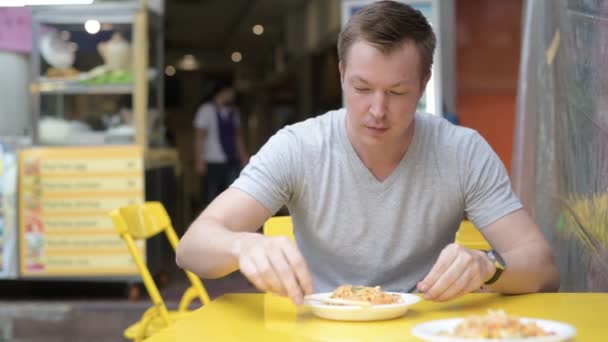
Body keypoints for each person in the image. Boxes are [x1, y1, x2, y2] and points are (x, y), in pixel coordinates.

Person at [177, 0, 559, 305]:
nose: (377, 110)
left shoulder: (462, 151)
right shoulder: (298, 146)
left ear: (425, 83)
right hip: (319, 326)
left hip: (426, 325)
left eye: (396, 92)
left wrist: (487, 266)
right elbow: (191, 249)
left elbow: (543, 268)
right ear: (342, 74)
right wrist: (242, 244)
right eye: (362, 89)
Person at [193, 79, 249, 206]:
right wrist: (199, 160)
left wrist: (244, 156)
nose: (233, 96)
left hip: (231, 159)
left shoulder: (233, 111)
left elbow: (238, 136)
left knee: (232, 194)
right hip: (212, 160)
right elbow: (199, 137)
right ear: (223, 92)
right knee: (212, 196)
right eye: (231, 92)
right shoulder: (205, 110)